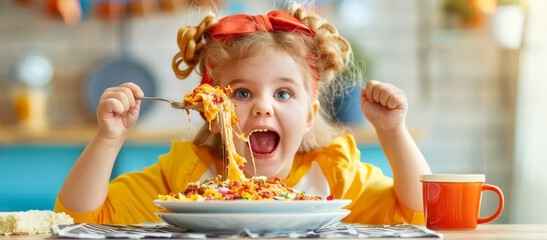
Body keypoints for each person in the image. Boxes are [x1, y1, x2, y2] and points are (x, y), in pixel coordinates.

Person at [54, 4, 431, 225]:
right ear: (210, 110)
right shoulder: (182, 178)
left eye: (283, 93)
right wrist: (108, 138)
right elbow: (82, 217)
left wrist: (393, 132)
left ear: (310, 114)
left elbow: (423, 211)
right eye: (241, 93)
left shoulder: (335, 176)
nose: (262, 106)